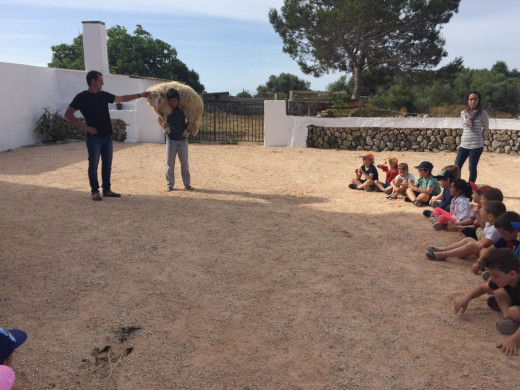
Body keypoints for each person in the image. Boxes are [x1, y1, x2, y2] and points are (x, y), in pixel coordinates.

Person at [65, 70, 150, 201]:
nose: (102, 83)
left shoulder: (103, 95)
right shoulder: (81, 97)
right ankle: (94, 191)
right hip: (94, 138)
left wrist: (140, 95)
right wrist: (84, 127)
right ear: (93, 81)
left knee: (107, 164)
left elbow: (121, 98)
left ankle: (107, 190)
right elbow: (68, 114)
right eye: (100, 80)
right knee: (93, 165)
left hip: (107, 136)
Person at [453, 248, 520, 355]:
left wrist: (513, 340)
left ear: (512, 274)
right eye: (490, 274)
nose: (491, 279)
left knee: (514, 311)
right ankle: (508, 319)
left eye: (495, 275)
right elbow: (483, 288)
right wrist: (465, 298)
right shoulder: (507, 279)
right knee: (498, 292)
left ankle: (512, 319)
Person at [426, 200, 505, 261]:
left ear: (490, 216)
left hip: (488, 254)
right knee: (468, 239)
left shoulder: (494, 229)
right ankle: (445, 248)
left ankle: (443, 254)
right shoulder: (489, 224)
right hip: (482, 249)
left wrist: (469, 247)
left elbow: (484, 244)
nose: (481, 213)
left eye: (483, 212)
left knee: (471, 245)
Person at [158, 88, 194, 192]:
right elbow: (159, 118)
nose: (172, 103)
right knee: (170, 164)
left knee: (185, 164)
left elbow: (190, 119)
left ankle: (187, 185)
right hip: (171, 139)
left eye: (174, 100)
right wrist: (163, 125)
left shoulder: (183, 109)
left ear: (178, 100)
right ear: (167, 100)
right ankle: (169, 185)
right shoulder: (166, 109)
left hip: (183, 139)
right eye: (170, 101)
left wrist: (188, 127)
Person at [455, 91, 489, 183]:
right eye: (471, 99)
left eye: (475, 99)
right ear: (467, 101)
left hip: (476, 145)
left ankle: (470, 189)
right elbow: (464, 127)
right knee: (456, 166)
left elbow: (486, 128)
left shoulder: (483, 113)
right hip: (464, 144)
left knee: (472, 168)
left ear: (478, 100)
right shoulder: (463, 113)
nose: (473, 101)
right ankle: (457, 187)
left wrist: (483, 138)